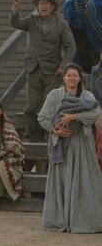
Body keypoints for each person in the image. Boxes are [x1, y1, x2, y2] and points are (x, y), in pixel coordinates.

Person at [38, 63, 102, 233]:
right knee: (62, 181)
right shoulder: (54, 95)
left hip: (81, 143)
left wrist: (75, 116)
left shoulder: (87, 96)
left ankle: (84, 221)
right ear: (64, 77)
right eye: (69, 75)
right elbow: (42, 117)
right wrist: (54, 130)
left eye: (75, 75)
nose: (72, 78)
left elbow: (96, 113)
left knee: (85, 180)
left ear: (80, 78)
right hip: (61, 144)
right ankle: (59, 220)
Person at [9, 0, 76, 141]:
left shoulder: (61, 23)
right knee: (31, 105)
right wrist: (15, 7)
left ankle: (49, 134)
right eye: (41, 3)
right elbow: (15, 22)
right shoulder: (31, 20)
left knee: (51, 103)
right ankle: (30, 134)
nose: (43, 6)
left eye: (47, 3)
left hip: (53, 71)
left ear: (53, 7)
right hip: (33, 68)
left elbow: (71, 47)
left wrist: (63, 66)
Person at [64, 0, 102, 73]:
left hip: (96, 25)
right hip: (79, 25)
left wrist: (92, 6)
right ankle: (81, 74)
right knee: (80, 51)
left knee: (94, 51)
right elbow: (69, 2)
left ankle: (95, 75)